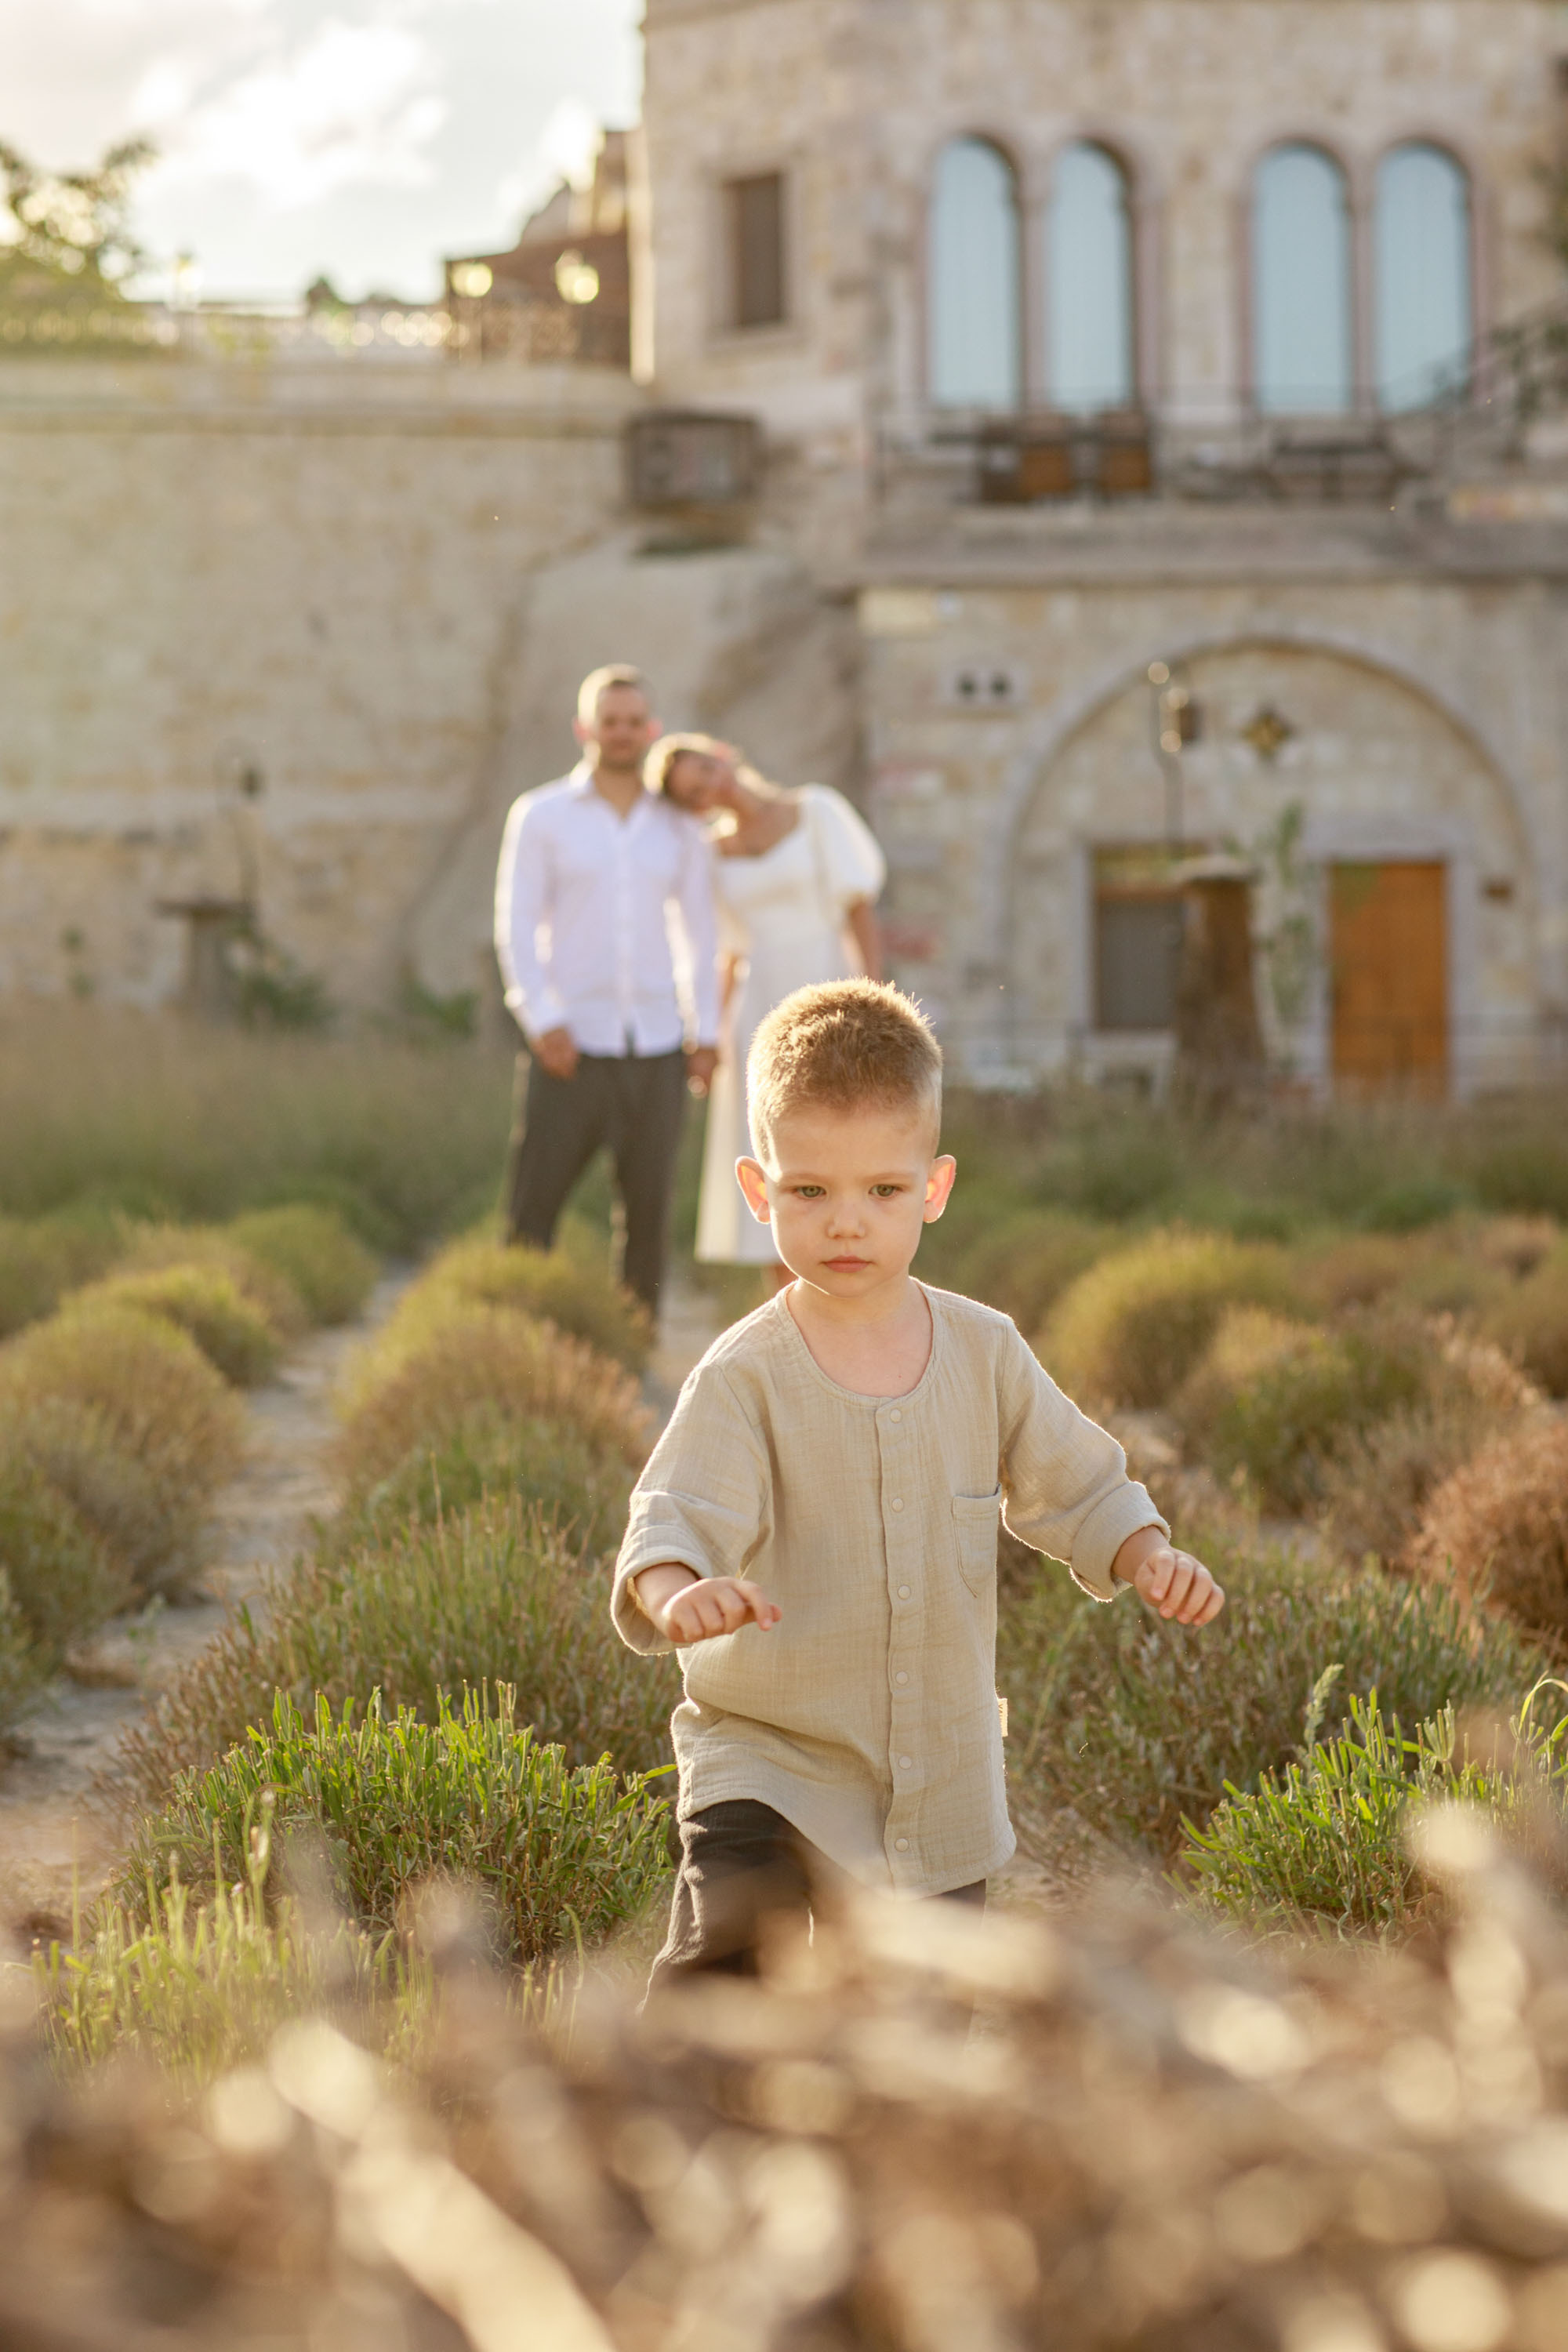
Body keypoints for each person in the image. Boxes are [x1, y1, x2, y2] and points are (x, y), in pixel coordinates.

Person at [611, 978, 1225, 1988]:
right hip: (768, 1763)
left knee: (922, 2025)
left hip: (937, 1784)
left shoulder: (984, 1351)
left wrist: (1145, 1553)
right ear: (757, 1193)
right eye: (807, 1192)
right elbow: (675, 1512)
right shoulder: (744, 1373)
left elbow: (1073, 1480)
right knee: (719, 1976)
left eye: (881, 1193)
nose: (844, 1224)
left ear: (932, 1190)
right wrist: (681, 1592)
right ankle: (654, 2131)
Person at [493, 666, 720, 1317]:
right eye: (608, 721)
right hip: (570, 1044)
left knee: (649, 1210)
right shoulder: (541, 816)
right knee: (534, 1205)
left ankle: (636, 1342)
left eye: (633, 723)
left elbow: (700, 937)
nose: (621, 734)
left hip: (656, 1045)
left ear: (651, 731)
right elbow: (516, 925)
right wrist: (542, 1020)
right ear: (584, 728)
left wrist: (704, 1035)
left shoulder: (680, 829)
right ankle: (512, 1332)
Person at [646, 735, 886, 1282]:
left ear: (724, 754)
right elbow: (725, 952)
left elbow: (859, 910)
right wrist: (709, 1039)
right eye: (695, 790)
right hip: (758, 1007)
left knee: (838, 1134)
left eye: (707, 768)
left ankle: (852, 1286)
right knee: (771, 1147)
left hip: (828, 985)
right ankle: (786, 1314)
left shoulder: (817, 810)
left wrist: (874, 1001)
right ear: (695, 808)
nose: (711, 785)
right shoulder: (710, 853)